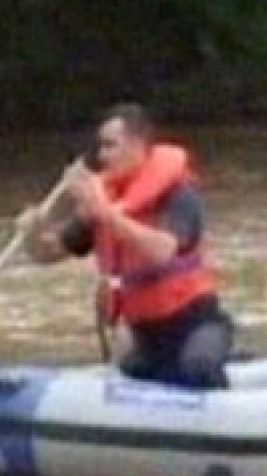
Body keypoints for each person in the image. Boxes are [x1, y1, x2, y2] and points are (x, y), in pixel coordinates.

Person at [18, 103, 233, 388]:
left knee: (198, 366)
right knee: (132, 371)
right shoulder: (106, 198)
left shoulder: (178, 194)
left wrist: (106, 214)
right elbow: (48, 253)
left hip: (194, 323)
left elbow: (163, 251)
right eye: (100, 147)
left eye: (110, 146)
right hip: (146, 334)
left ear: (138, 146)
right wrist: (32, 233)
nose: (102, 156)